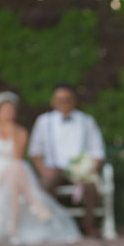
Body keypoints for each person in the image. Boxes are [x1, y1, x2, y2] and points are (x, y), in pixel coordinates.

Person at [0, 91, 82, 246]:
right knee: (17, 171)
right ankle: (35, 205)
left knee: (15, 171)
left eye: (12, 110)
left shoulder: (21, 132)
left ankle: (13, 227)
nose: (9, 113)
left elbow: (16, 157)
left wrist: (12, 132)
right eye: (6, 110)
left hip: (14, 171)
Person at [28, 83, 105, 237]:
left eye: (67, 99)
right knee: (45, 185)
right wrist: (43, 171)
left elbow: (98, 152)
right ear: (53, 101)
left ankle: (87, 226)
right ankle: (49, 225)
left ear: (74, 101)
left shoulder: (86, 121)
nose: (64, 103)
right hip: (54, 169)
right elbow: (34, 151)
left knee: (91, 187)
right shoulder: (44, 121)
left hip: (81, 172)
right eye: (60, 100)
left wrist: (89, 170)